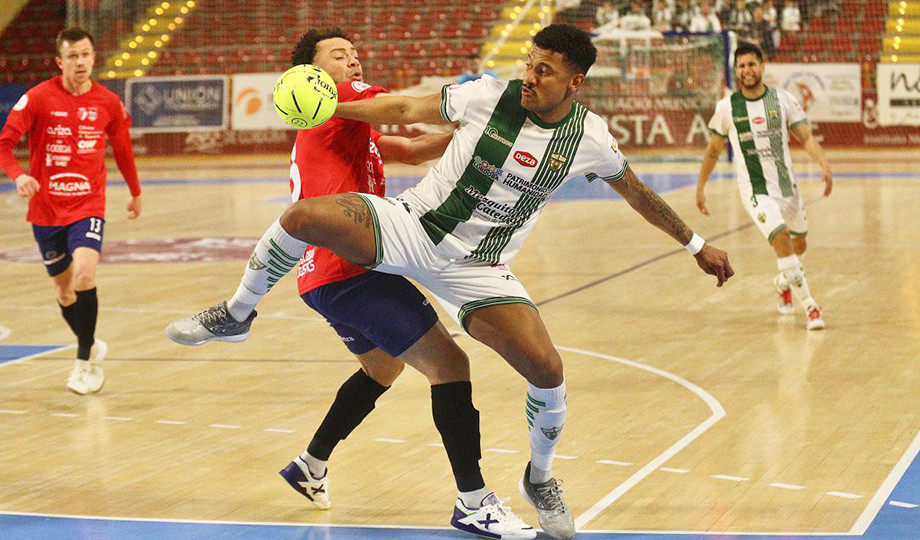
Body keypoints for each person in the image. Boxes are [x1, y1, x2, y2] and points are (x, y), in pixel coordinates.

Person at [169, 24, 734, 540]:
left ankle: (538, 478)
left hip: (478, 266)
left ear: (575, 82)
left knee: (548, 369)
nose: (530, 77)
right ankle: (239, 313)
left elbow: (637, 192)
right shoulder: (490, 92)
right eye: (529, 63)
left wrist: (696, 244)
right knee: (302, 216)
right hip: (414, 226)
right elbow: (404, 106)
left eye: (544, 70)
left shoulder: (590, 138)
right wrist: (336, 102)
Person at [166, 28, 535, 540]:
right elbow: (406, 111)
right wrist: (480, 110)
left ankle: (309, 464)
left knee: (382, 368)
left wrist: (469, 140)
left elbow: (409, 149)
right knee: (450, 364)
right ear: (313, 74)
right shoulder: (331, 100)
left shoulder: (344, 128)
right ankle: (474, 502)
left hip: (323, 277)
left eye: (356, 55)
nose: (353, 62)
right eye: (339, 56)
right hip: (351, 268)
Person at [0, 27, 142, 395]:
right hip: (46, 209)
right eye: (73, 56)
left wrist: (135, 191)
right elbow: (5, 144)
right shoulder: (37, 98)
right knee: (64, 293)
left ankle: (85, 361)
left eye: (86, 55)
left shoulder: (108, 102)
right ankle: (90, 342)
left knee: (84, 276)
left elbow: (123, 148)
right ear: (60, 62)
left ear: (94, 58)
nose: (80, 62)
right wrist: (17, 176)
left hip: (87, 204)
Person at [696, 43, 831, 330]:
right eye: (741, 66)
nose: (747, 70)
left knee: (799, 242)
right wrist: (700, 187)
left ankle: (783, 282)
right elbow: (713, 150)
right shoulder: (727, 107)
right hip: (756, 191)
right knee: (780, 236)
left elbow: (805, 138)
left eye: (751, 64)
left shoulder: (783, 100)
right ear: (736, 71)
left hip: (787, 187)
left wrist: (824, 165)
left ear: (762, 65)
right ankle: (810, 306)